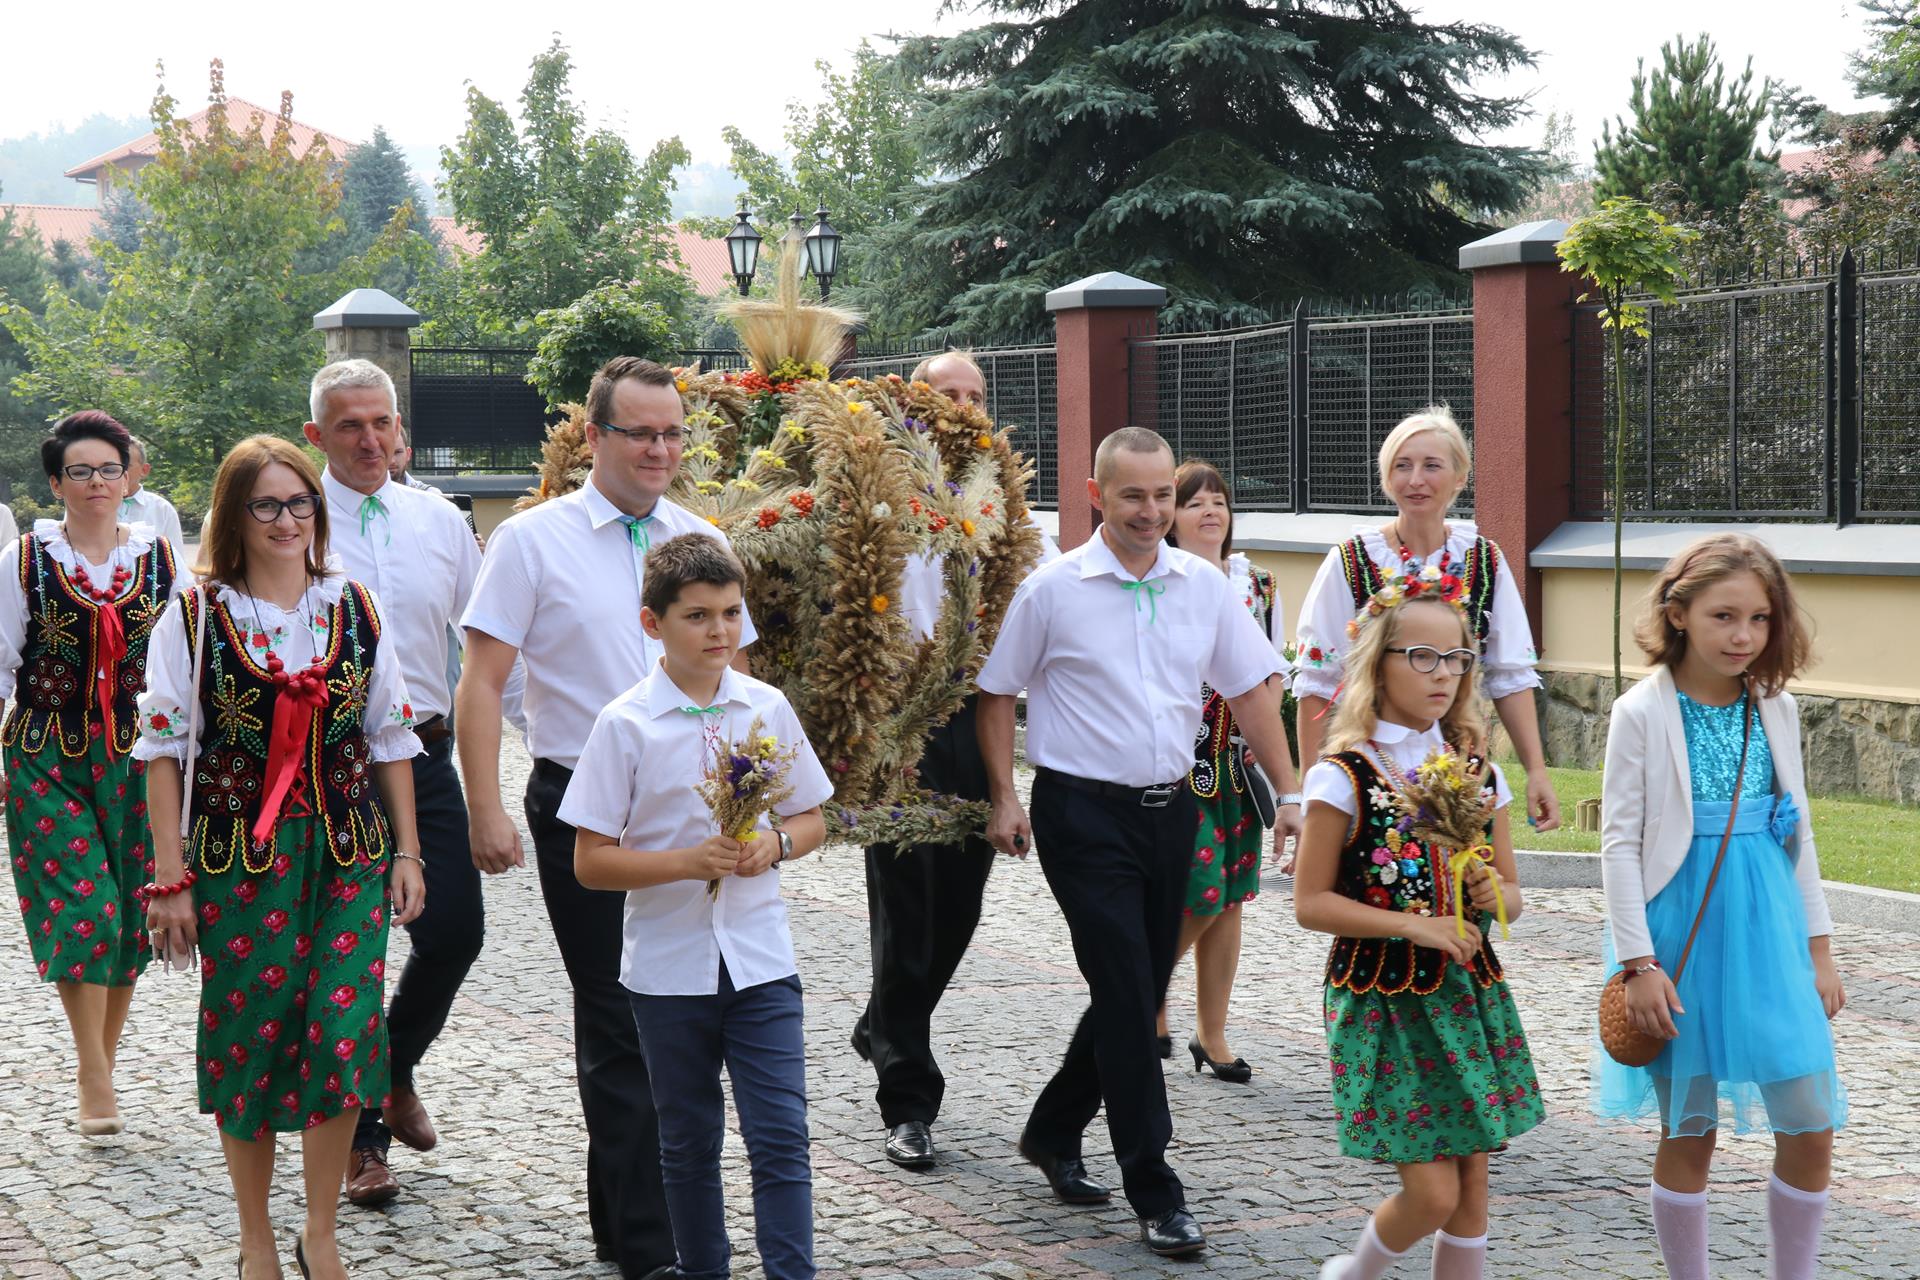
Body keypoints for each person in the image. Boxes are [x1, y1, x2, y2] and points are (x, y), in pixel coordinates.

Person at [456, 355, 758, 1280]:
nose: (661, 449)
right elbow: (483, 681)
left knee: (687, 1012)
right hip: (583, 806)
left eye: (673, 433)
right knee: (620, 1015)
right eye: (641, 433)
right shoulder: (531, 540)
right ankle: (647, 1247)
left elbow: (735, 679)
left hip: (693, 812)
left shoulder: (701, 536)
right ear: (594, 436)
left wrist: (749, 804)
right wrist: (484, 807)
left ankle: (639, 1217)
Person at [976, 426, 1303, 1259]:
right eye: (1134, 496)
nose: (1152, 511)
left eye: (1163, 495)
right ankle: (1154, 1187)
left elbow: (1253, 689)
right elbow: (997, 691)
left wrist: (1292, 791)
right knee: (1129, 991)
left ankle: (1052, 1131)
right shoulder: (1053, 590)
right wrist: (1005, 796)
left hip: (1172, 813)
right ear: (1097, 496)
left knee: (1136, 983)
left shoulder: (1204, 586)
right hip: (1081, 815)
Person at [137, 434, 424, 1280]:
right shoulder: (195, 616)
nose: (286, 519)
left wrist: (409, 851)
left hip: (346, 854)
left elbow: (389, 736)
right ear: (234, 514)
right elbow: (162, 752)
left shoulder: (355, 606)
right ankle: (257, 1239)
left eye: (300, 503)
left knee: (342, 1030)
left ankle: (320, 1231)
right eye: (266, 504)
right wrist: (169, 880)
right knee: (250, 1038)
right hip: (240, 859)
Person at [564, 534, 833, 1280]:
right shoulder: (624, 723)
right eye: (698, 616)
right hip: (668, 971)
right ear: (652, 624)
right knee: (687, 1144)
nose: (720, 631)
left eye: (731, 613)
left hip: (761, 962)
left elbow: (812, 817)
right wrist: (686, 862)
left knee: (781, 1138)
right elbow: (590, 861)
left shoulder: (766, 707)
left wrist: (776, 844)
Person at [1593, 533, 1845, 1280]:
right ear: (1679, 614)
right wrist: (1639, 964)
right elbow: (1618, 846)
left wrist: (1820, 948)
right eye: (1724, 616)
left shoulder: (1775, 707)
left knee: (1811, 1123)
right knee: (1689, 1131)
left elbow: (1798, 832)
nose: (1744, 636)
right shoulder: (1640, 711)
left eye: (1760, 618)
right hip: (1681, 932)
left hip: (1768, 925)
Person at [1294, 579, 1543, 1280]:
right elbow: (1310, 903)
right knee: (1433, 1193)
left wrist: (1495, 894)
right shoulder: (1344, 775)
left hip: (1467, 995)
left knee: (1472, 1187)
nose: (1443, 674)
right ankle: (1356, 1272)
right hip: (1385, 1002)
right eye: (1422, 657)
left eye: (1457, 658)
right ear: (1379, 664)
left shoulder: (1478, 772)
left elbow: (1512, 899)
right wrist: (1414, 925)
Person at [852, 348, 1059, 1170]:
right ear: (913, 403)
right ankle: (908, 1098)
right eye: (948, 393)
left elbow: (1040, 594)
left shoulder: (1004, 502)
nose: (965, 407)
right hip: (899, 716)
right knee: (906, 909)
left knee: (961, 906)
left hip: (979, 712)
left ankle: (882, 1023)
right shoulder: (876, 489)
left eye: (976, 394)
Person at [302, 360, 484, 1207]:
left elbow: (488, 641)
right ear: (317, 435)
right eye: (350, 426)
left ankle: (392, 1067)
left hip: (425, 753)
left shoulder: (439, 519)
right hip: (322, 769)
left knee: (454, 933)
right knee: (348, 954)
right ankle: (362, 1141)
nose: (370, 440)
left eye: (382, 422)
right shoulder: (292, 519)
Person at [0, 410, 183, 1135]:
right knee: (87, 911)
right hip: (47, 753)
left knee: (133, 915)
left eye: (110, 469)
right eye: (80, 471)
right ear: (56, 484)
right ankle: (93, 1071)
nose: (97, 482)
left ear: (129, 477)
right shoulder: (24, 562)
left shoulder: (161, 560)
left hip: (139, 757)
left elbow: (185, 667)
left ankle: (98, 1065)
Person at [1292, 408, 1559, 830]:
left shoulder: (1484, 560)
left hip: (1458, 766)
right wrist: (1312, 790)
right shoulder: (1352, 560)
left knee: (1463, 868)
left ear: (1460, 477)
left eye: (1432, 465)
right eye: (1402, 466)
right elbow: (1318, 680)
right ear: (1387, 477)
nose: (1416, 479)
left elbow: (1510, 675)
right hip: (1369, 765)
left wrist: (1536, 771)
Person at [1156, 459, 1293, 1080]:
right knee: (1205, 890)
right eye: (1194, 502)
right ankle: (1146, 992)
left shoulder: (1258, 584)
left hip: (1235, 763)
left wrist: (1268, 745)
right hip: (1178, 765)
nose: (1210, 511)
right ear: (1172, 518)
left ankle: (1211, 1033)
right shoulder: (1160, 578)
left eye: (1219, 501)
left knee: (1232, 899)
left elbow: (1273, 672)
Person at [119, 436, 188, 552]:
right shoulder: (93, 506)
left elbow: (175, 557)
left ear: (144, 470)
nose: (118, 471)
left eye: (125, 465)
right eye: (110, 466)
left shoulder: (162, 509)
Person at [387, 420, 440, 493]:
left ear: (408, 454)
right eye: (386, 453)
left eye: (398, 452)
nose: (392, 461)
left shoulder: (430, 495)